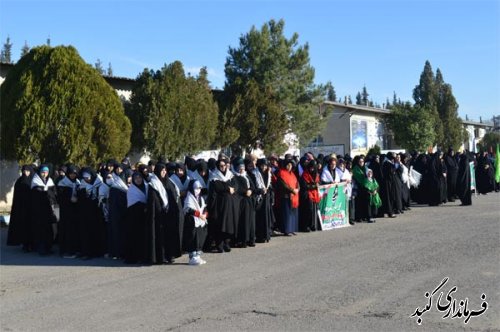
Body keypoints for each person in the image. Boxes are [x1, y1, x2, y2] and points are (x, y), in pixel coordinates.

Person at [207, 159, 237, 253]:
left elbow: (235, 185)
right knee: (220, 224)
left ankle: (226, 243)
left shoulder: (230, 174)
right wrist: (228, 188)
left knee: (229, 224)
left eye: (224, 165)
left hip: (230, 204)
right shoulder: (214, 176)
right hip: (219, 204)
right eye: (221, 165)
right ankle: (219, 244)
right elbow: (217, 187)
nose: (223, 167)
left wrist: (231, 188)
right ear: (217, 167)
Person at [77, 168, 107, 259]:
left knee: (97, 231)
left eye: (88, 178)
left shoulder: (99, 183)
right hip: (85, 213)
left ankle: (98, 252)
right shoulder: (82, 184)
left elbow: (102, 196)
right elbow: (81, 199)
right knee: (86, 233)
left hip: (97, 212)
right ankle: (87, 252)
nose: (87, 180)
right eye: (85, 178)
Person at [31, 165, 58, 255]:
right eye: (43, 172)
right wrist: (45, 192)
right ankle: (41, 249)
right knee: (41, 230)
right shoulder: (35, 181)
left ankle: (48, 247)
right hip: (39, 210)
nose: (44, 173)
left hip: (49, 209)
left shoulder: (49, 180)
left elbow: (53, 193)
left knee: (49, 230)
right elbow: (36, 195)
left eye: (46, 172)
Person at [145, 163, 170, 264]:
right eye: (162, 170)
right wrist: (161, 209)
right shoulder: (153, 183)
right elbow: (153, 201)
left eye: (165, 170)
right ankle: (159, 257)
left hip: (164, 212)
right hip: (157, 214)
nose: (164, 172)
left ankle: (165, 255)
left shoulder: (165, 181)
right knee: (158, 235)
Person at [7, 165, 35, 251]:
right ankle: (25, 245)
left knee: (33, 227)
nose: (26, 173)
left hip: (32, 209)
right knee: (24, 228)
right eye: (24, 171)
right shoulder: (19, 182)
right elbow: (16, 198)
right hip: (22, 209)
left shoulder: (34, 181)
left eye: (28, 171)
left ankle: (32, 244)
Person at [123, 172, 148, 264]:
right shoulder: (131, 190)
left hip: (144, 216)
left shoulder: (146, 187)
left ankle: (143, 256)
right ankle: (135, 257)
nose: (138, 179)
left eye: (140, 177)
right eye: (136, 178)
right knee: (135, 237)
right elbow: (132, 204)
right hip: (134, 217)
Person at [105, 163, 128, 259]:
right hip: (115, 212)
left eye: (121, 169)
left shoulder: (126, 180)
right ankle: (115, 252)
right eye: (117, 168)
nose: (119, 170)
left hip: (124, 211)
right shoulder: (113, 182)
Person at [57, 165, 80, 258]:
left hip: (75, 211)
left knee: (74, 230)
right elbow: (60, 197)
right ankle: (66, 251)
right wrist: (70, 198)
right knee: (66, 230)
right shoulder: (62, 183)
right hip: (66, 211)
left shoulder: (78, 182)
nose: (72, 175)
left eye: (74, 174)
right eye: (70, 173)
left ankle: (74, 250)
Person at [183, 180, 208, 265]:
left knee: (200, 237)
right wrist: (198, 215)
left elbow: (204, 207)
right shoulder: (189, 197)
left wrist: (205, 214)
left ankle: (198, 255)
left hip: (200, 221)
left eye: (199, 188)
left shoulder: (201, 198)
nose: (198, 190)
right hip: (192, 221)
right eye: (196, 188)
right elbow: (188, 209)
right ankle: (192, 257)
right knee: (192, 238)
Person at [232, 158, 256, 248]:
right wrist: (245, 191)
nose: (241, 169)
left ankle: (251, 239)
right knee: (243, 221)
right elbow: (236, 189)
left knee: (251, 221)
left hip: (249, 201)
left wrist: (250, 190)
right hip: (241, 201)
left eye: (242, 167)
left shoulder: (246, 175)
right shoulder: (234, 176)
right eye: (239, 167)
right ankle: (243, 240)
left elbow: (253, 186)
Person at [250, 158, 274, 243]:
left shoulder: (268, 173)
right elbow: (254, 187)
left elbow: (270, 184)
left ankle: (266, 235)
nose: (264, 167)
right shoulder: (255, 173)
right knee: (260, 217)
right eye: (262, 165)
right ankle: (260, 236)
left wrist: (269, 189)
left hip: (266, 197)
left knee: (267, 216)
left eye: (265, 165)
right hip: (259, 198)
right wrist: (261, 190)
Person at [277, 159, 299, 236]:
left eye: (290, 165)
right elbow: (283, 185)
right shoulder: (281, 173)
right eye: (288, 165)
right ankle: (286, 230)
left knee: (293, 214)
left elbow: (297, 183)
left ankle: (292, 229)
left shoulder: (292, 174)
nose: (289, 166)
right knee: (286, 214)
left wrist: (297, 189)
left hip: (294, 196)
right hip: (286, 196)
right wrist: (292, 190)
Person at [352, 156, 376, 223]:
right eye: (360, 161)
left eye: (362, 161)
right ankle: (363, 217)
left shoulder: (365, 168)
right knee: (360, 203)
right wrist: (366, 177)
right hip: (360, 188)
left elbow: (370, 175)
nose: (361, 163)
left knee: (367, 202)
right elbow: (360, 179)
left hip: (367, 187)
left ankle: (367, 216)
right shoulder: (355, 169)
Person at [299, 159, 321, 232]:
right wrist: (314, 186)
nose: (311, 169)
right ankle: (306, 225)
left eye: (313, 167)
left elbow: (318, 183)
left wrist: (315, 185)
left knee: (314, 209)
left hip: (314, 194)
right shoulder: (305, 174)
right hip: (307, 194)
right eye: (310, 167)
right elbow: (304, 186)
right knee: (308, 210)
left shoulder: (316, 174)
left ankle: (313, 225)